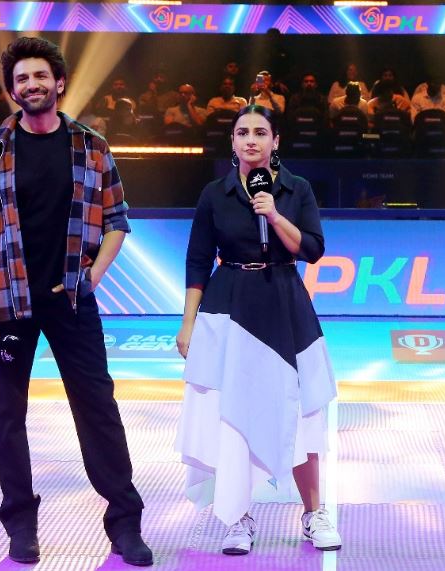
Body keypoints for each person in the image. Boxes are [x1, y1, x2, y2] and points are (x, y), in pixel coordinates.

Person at [0, 36, 152, 567]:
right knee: (7, 418)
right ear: (12, 89)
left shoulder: (92, 145)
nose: (32, 84)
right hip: (7, 304)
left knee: (98, 410)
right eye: (21, 78)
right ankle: (21, 524)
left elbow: (117, 221)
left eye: (40, 75)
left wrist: (91, 277)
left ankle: (125, 524)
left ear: (59, 83)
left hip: (71, 301)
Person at [175, 104, 341, 556]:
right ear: (233, 141)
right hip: (228, 306)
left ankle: (313, 513)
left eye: (261, 132)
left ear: (275, 141)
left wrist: (274, 215)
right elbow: (197, 260)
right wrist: (188, 322)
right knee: (233, 411)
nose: (251, 140)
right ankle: (238, 516)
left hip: (285, 303)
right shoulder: (215, 193)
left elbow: (313, 250)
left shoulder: (296, 189)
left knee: (302, 410)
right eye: (243, 132)